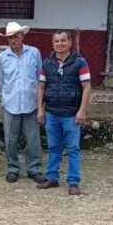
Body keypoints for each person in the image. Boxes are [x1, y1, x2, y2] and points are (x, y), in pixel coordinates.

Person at [36, 31, 92, 196]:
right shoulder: (47, 64)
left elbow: (87, 87)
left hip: (71, 114)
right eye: (56, 41)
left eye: (63, 40)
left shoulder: (80, 62)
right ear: (53, 44)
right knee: (54, 147)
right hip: (52, 113)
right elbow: (41, 87)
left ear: (69, 43)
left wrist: (82, 111)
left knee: (73, 148)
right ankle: (52, 178)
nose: (60, 44)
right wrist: (40, 109)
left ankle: (73, 182)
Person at [0, 22, 46, 184]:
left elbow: (40, 78)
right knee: (10, 139)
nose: (13, 40)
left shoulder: (34, 53)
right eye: (10, 37)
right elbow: (0, 82)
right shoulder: (2, 57)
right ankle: (13, 169)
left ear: (22, 36)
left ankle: (34, 169)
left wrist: (40, 103)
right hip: (10, 104)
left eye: (16, 36)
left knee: (33, 139)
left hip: (31, 103)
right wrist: (8, 96)